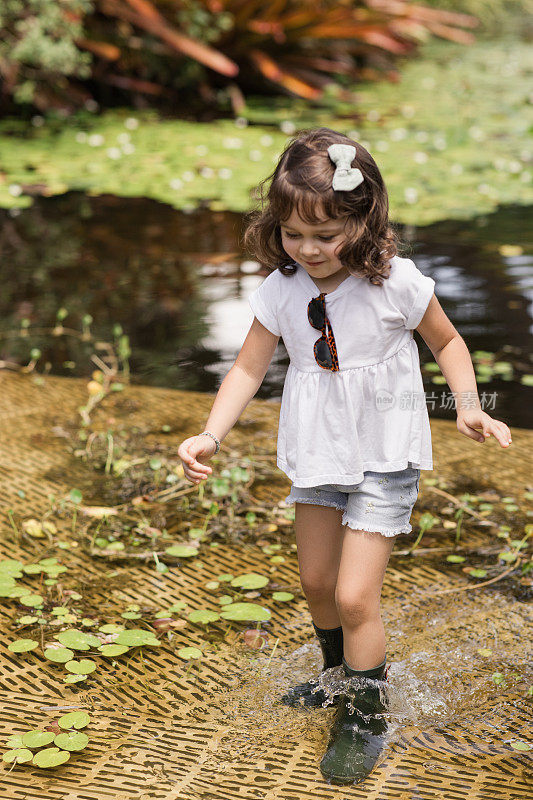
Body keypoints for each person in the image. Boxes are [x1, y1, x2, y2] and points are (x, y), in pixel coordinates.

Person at [177, 127, 512, 785]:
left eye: (324, 235)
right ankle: (338, 677)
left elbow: (446, 343)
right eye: (294, 234)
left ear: (361, 221)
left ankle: (364, 716)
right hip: (317, 452)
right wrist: (209, 434)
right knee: (315, 583)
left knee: (355, 595)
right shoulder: (279, 289)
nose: (308, 249)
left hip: (384, 452)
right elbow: (247, 367)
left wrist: (466, 404)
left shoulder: (396, 284)